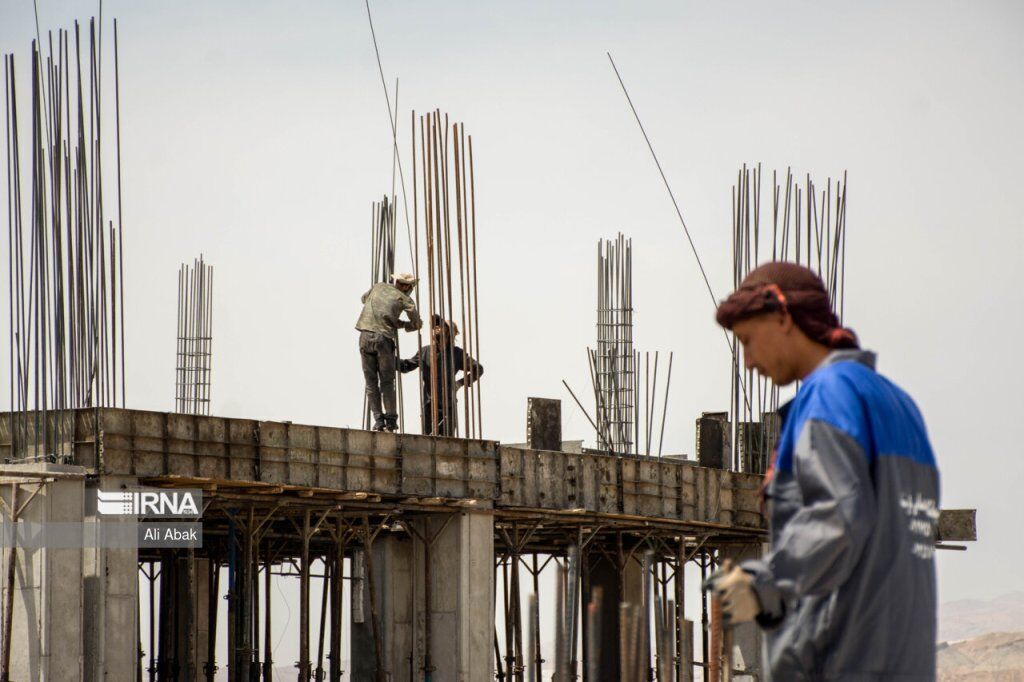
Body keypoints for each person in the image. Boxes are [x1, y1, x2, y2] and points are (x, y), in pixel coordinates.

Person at [704, 262, 940, 681]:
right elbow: (867, 549)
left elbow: (838, 518)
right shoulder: (900, 406)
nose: (748, 362)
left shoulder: (830, 396)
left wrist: (763, 585)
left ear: (781, 315)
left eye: (747, 340)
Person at [355, 273, 421, 432]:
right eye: (411, 287)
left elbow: (364, 299)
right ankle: (390, 419)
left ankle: (378, 420)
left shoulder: (378, 286)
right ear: (406, 286)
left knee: (371, 382)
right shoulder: (404, 299)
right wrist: (405, 325)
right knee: (386, 381)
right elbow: (416, 323)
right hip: (383, 340)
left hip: (364, 336)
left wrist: (390, 318)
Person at [399, 315, 483, 436]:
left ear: (450, 333)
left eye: (442, 326)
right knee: (427, 442)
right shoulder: (425, 351)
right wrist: (390, 359)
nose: (437, 328)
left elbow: (478, 369)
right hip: (429, 406)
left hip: (448, 407)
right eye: (436, 327)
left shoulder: (457, 354)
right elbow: (406, 366)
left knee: (446, 443)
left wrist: (460, 383)